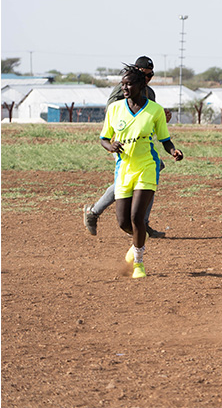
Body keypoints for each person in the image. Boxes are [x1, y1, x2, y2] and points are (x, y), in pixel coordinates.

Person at [99, 64, 183, 278]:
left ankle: (138, 263)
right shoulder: (115, 108)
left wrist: (174, 151)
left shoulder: (155, 110)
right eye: (123, 84)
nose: (124, 88)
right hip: (124, 169)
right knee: (123, 222)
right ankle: (138, 242)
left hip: (147, 166)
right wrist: (111, 147)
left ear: (141, 84)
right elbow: (104, 139)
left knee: (137, 217)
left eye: (129, 84)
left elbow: (165, 139)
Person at [83, 56, 171, 238]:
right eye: (145, 74)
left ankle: (142, 222)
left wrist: (162, 116)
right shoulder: (123, 89)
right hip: (120, 143)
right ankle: (94, 212)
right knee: (124, 180)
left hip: (142, 144)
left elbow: (150, 115)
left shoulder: (150, 93)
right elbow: (113, 112)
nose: (148, 78)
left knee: (153, 171)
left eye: (151, 75)